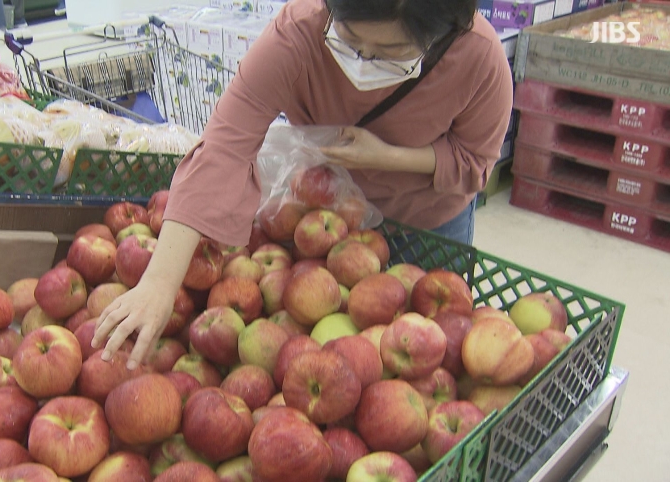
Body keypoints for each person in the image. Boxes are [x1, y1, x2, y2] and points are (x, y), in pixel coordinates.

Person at [92, 0, 513, 369]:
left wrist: (384, 156)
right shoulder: (302, 31)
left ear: (439, 35)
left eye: (390, 52)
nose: (363, 60)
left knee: (436, 345)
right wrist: (160, 282)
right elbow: (225, 146)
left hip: (425, 224)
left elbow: (474, 163)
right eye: (350, 40)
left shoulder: (477, 56)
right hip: (325, 220)